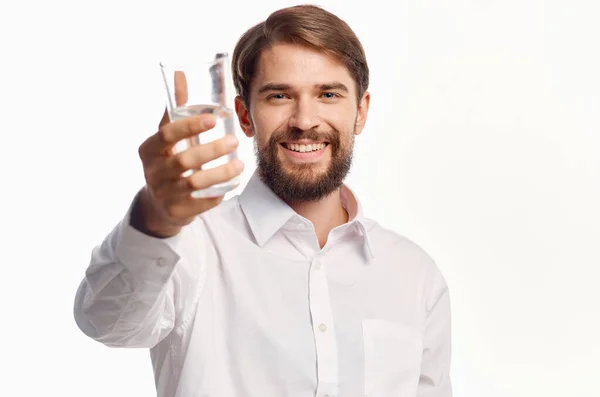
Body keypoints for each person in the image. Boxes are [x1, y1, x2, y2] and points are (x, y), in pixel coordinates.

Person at [73, 4, 452, 397]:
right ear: (245, 114)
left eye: (327, 94)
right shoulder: (192, 247)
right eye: (279, 96)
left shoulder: (415, 274)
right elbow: (108, 322)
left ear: (360, 112)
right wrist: (154, 219)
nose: (305, 119)